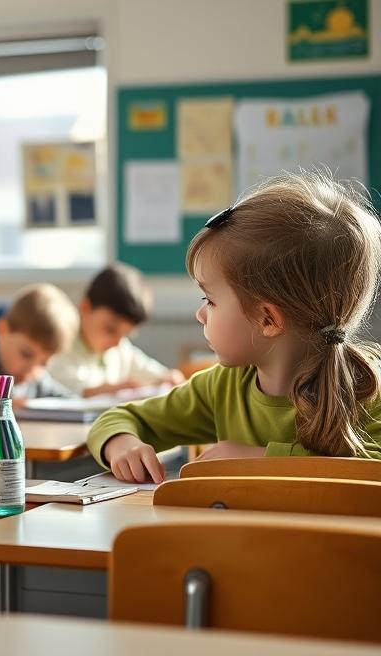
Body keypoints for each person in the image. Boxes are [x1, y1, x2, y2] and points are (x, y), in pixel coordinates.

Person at [89, 172, 381, 483]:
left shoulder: (366, 389)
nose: (200, 314)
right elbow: (118, 419)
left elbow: (371, 475)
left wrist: (264, 460)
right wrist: (122, 444)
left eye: (210, 300)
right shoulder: (222, 387)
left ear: (268, 319)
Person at [48, 264, 185, 397]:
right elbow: (66, 390)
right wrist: (116, 390)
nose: (116, 342)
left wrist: (168, 378)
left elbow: (155, 374)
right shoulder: (59, 345)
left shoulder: (120, 349)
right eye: (110, 330)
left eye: (125, 335)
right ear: (85, 307)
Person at [0, 284, 78, 400]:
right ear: (3, 330)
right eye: (26, 354)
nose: (31, 369)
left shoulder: (36, 378)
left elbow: (69, 400)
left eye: (43, 363)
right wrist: (7, 404)